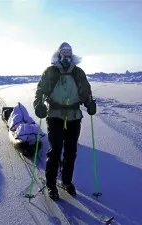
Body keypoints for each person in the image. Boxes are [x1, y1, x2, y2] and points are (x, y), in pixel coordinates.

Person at [33, 42, 96, 201]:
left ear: (72, 54)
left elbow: (86, 91)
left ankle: (67, 182)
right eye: (63, 52)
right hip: (55, 115)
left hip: (74, 116)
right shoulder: (51, 71)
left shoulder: (78, 72)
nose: (66, 55)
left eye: (68, 52)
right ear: (59, 53)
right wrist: (38, 105)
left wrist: (90, 104)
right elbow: (40, 91)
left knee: (71, 151)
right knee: (55, 150)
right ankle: (51, 184)